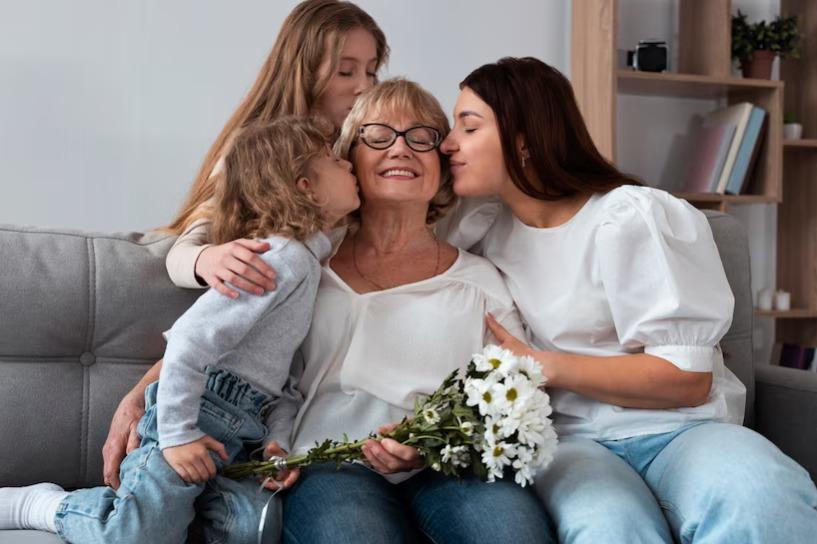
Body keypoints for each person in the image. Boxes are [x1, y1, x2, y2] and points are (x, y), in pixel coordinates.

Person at [438, 56, 817, 543]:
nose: (449, 143)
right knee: (610, 527)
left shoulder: (629, 218)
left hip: (683, 431)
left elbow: (686, 380)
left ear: (524, 140)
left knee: (760, 494)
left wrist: (541, 365)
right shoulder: (483, 230)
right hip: (574, 441)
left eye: (469, 127)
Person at [0, 117, 361, 543]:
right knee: (134, 536)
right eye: (334, 159)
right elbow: (189, 340)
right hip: (196, 413)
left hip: (244, 434)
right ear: (305, 186)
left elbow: (285, 377)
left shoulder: (306, 265)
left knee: (250, 532)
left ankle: (164, 511)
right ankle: (43, 505)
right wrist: (176, 436)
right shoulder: (278, 258)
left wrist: (277, 441)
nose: (348, 163)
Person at [102, 0, 388, 489]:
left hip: (291, 386)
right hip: (227, 381)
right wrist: (210, 258)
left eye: (371, 70)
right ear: (305, 70)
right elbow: (194, 275)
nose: (363, 85)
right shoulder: (258, 157)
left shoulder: (359, 160)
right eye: (346, 70)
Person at [281, 78, 555, 544]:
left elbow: (518, 396)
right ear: (349, 159)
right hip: (332, 465)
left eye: (421, 137)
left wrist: (433, 448)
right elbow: (265, 371)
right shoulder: (307, 267)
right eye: (379, 135)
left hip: (454, 468)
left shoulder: (480, 281)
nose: (401, 149)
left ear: (442, 167)